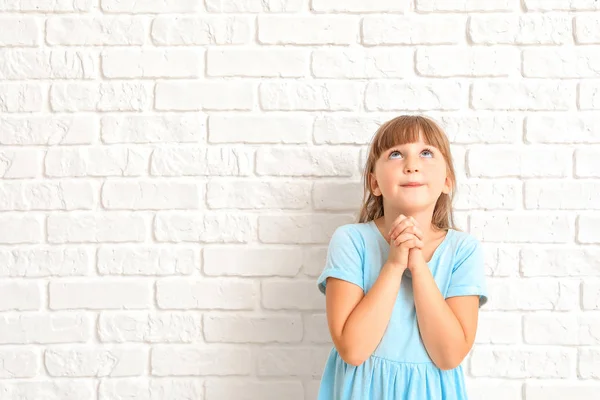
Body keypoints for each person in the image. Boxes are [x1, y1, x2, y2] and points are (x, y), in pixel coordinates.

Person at [316, 115, 489, 400]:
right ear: (374, 183)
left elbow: (449, 356)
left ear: (447, 181)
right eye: (395, 154)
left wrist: (418, 265)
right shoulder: (351, 241)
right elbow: (353, 350)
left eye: (426, 153)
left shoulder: (463, 250)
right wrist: (395, 263)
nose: (412, 165)